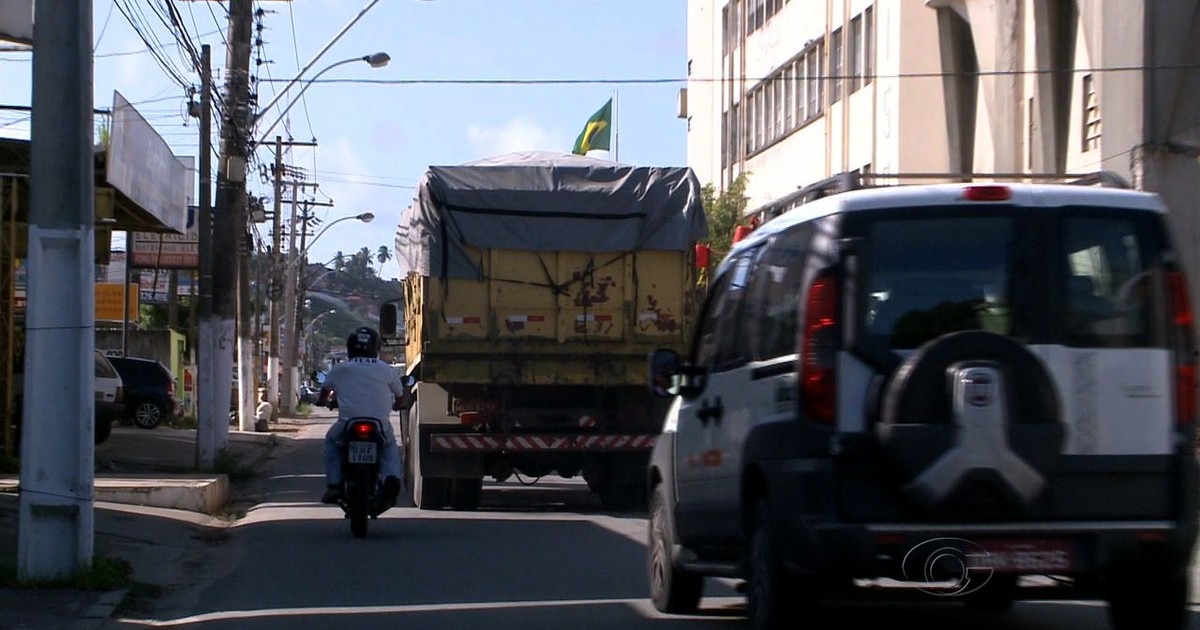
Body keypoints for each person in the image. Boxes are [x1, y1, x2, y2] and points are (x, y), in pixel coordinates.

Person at [318, 326, 411, 506]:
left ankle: (335, 484)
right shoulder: (386, 369)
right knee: (390, 447)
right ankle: (391, 478)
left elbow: (324, 392)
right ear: (375, 348)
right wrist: (399, 404)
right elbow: (400, 395)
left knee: (331, 442)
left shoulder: (341, 368)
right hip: (379, 424)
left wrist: (322, 402)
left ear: (350, 347)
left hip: (347, 423)